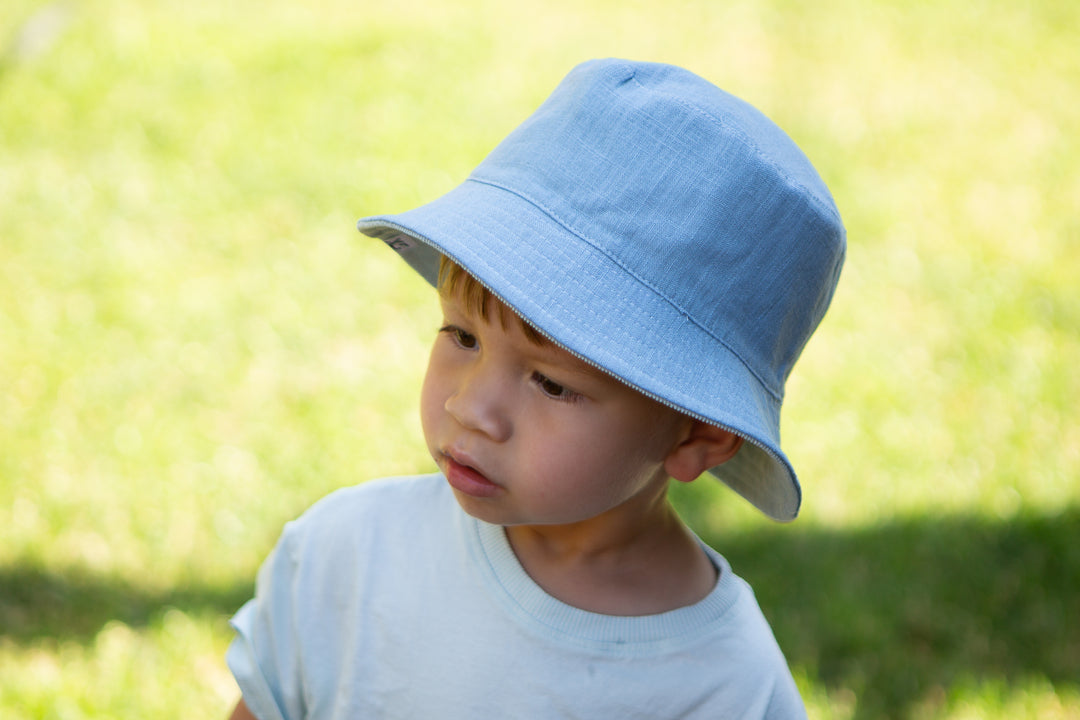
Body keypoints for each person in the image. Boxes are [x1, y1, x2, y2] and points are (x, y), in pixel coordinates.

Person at [226, 58, 845, 719]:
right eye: (463, 337)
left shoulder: (724, 687)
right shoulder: (346, 558)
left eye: (551, 384)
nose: (470, 409)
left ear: (698, 433)